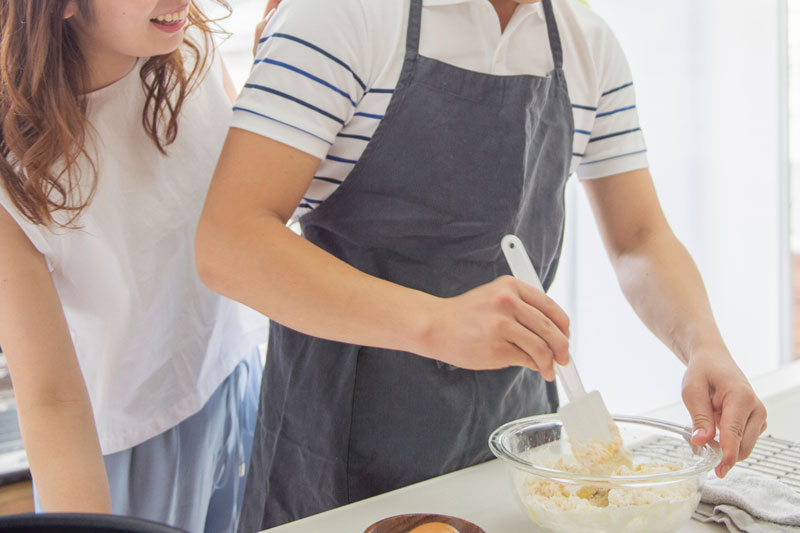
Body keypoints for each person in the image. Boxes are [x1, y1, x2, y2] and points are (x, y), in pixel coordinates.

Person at [194, 0, 768, 529]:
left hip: (515, 449)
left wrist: (703, 345)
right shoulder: (341, 16)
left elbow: (641, 238)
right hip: (335, 452)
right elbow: (230, 243)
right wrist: (438, 323)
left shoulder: (586, 41)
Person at [0, 1, 268, 531]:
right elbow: (51, 400)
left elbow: (248, 221)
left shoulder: (190, 49)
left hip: (233, 377)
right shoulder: (17, 169)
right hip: (120, 446)